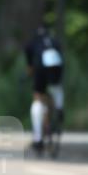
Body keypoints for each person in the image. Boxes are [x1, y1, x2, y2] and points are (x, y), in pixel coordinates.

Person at [24, 25, 64, 154]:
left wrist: (30, 72)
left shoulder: (32, 43)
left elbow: (30, 66)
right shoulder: (55, 42)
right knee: (56, 87)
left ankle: (38, 139)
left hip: (40, 71)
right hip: (56, 70)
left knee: (37, 100)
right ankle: (59, 108)